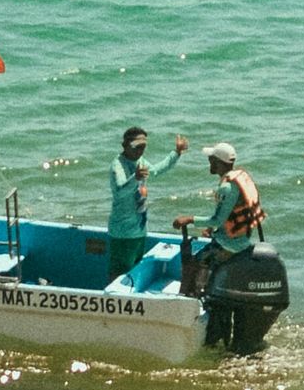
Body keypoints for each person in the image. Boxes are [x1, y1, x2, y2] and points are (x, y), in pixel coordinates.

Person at [174, 142, 265, 294]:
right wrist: (210, 228)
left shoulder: (226, 188)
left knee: (195, 263)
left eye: (211, 159)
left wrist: (189, 219)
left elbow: (217, 220)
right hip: (243, 239)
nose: (209, 162)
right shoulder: (240, 178)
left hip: (229, 244)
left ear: (218, 162)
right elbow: (227, 215)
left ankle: (191, 298)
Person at [108, 123, 189, 279]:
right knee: (119, 273)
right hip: (122, 232)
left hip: (139, 229)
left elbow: (157, 170)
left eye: (143, 146)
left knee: (135, 270)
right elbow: (119, 191)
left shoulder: (141, 162)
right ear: (125, 145)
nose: (141, 150)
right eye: (137, 146)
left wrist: (176, 153)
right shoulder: (117, 165)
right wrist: (135, 178)